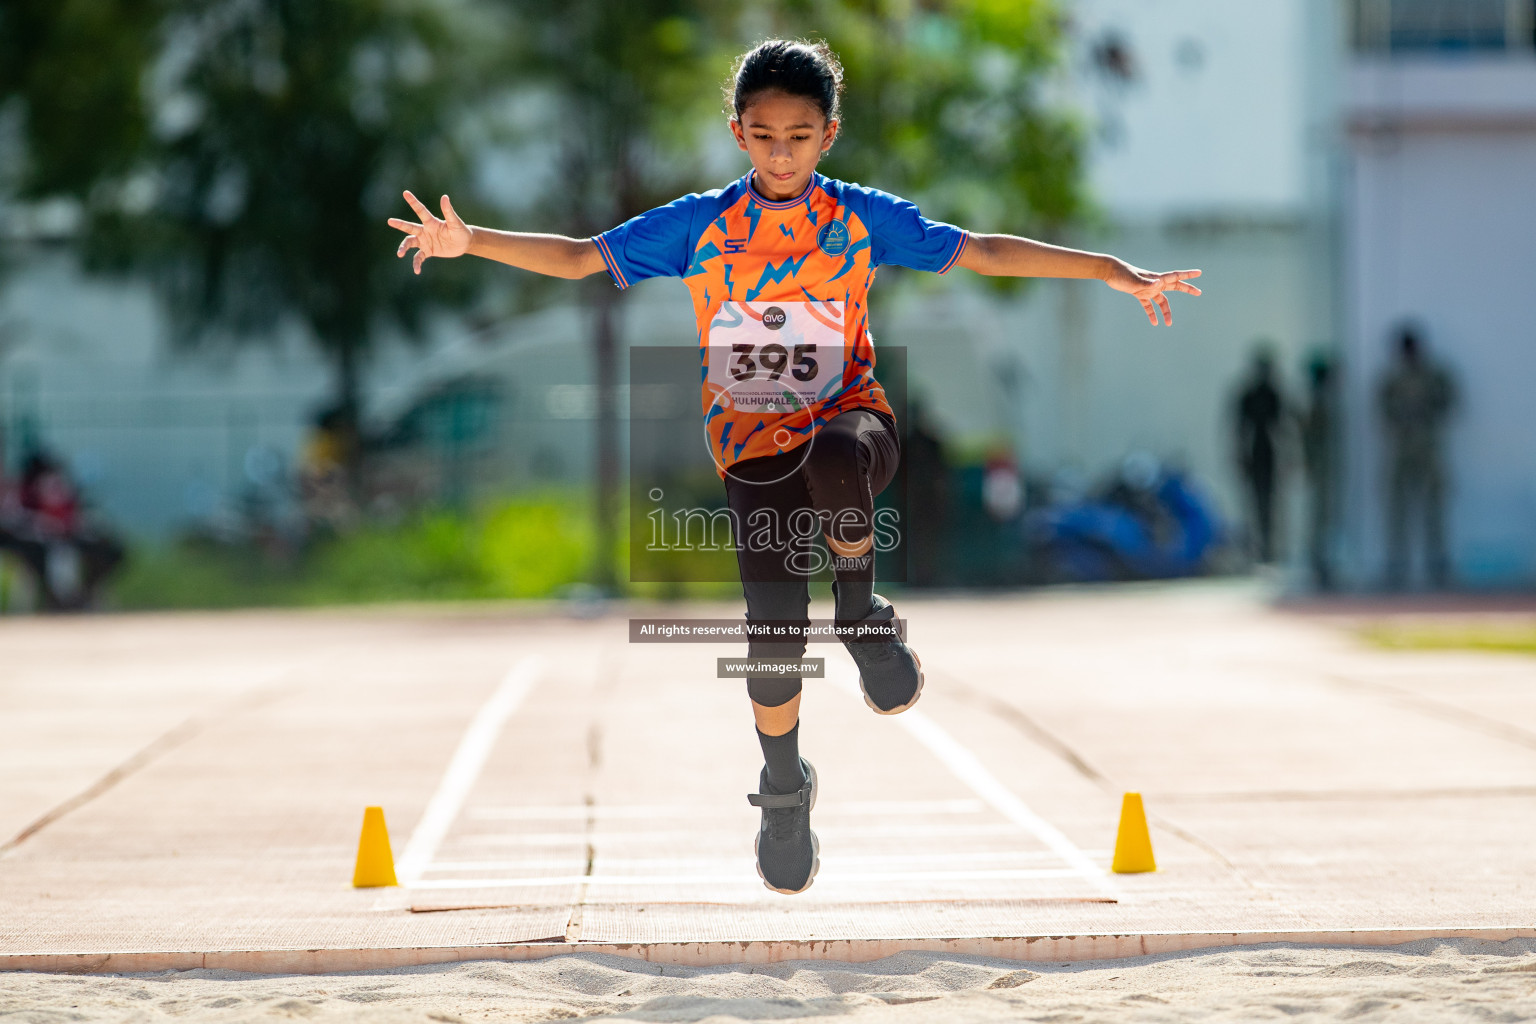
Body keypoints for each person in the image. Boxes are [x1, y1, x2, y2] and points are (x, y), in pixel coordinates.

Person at [388, 38, 1201, 894]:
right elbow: (578, 256)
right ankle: (784, 788)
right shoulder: (698, 226)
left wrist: (1109, 267)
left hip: (854, 422)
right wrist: (468, 238)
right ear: (739, 133)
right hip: (751, 454)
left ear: (829, 135)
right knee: (772, 643)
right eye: (765, 135)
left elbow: (987, 252)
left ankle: (860, 615)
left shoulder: (860, 217)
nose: (782, 153)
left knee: (837, 453)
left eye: (800, 136)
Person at [1379, 325, 1455, 589]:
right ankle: (1397, 564)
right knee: (1397, 509)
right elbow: (1383, 410)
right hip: (1402, 449)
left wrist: (1426, 408)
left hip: (1429, 448)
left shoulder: (1434, 376)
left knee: (1434, 508)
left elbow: (1449, 403)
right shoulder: (1392, 379)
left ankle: (1437, 564)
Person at [1234, 348, 1286, 564]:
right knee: (1254, 505)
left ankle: (1270, 551)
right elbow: (1240, 429)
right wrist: (1240, 455)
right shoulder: (1249, 395)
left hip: (1269, 454)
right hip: (1255, 454)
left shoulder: (1273, 394)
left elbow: (1282, 429)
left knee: (1271, 505)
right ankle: (1255, 552)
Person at [1300, 353, 1338, 590]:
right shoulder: (1317, 402)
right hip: (1321, 469)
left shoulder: (1321, 401)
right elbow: (1310, 439)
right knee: (1320, 518)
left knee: (1324, 517)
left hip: (1325, 469)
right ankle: (1319, 565)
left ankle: (1322, 564)